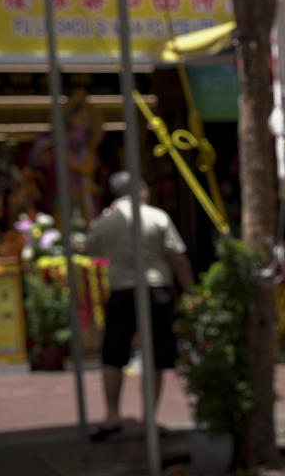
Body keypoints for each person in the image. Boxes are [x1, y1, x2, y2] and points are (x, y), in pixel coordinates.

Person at [87, 171, 195, 441]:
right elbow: (177, 257)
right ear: (140, 189)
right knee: (155, 357)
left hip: (121, 292)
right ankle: (149, 417)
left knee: (113, 354)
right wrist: (190, 290)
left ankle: (112, 414)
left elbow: (90, 249)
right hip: (155, 290)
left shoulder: (107, 221)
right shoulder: (157, 217)